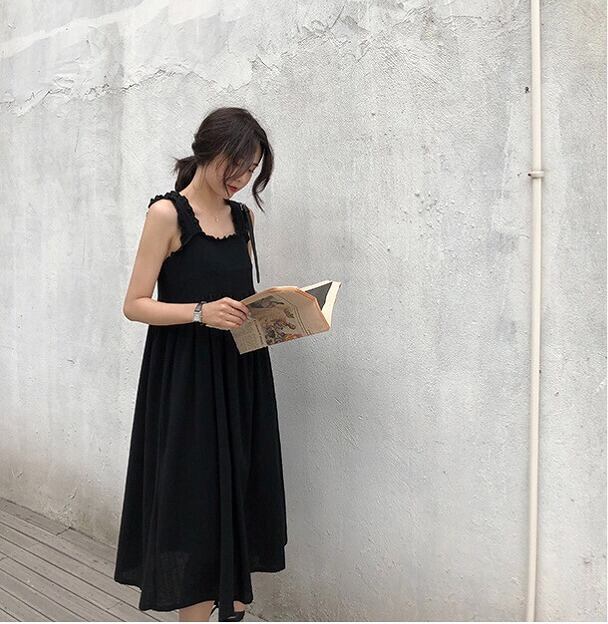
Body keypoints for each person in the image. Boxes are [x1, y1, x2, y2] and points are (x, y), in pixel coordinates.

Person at [113, 107, 288, 622]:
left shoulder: (243, 219)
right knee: (193, 503)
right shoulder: (166, 215)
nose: (242, 179)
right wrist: (200, 312)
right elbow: (135, 305)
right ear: (208, 152)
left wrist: (279, 316)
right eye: (236, 165)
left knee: (240, 492)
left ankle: (230, 610)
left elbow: (239, 298)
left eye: (251, 170)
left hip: (242, 375)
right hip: (187, 381)